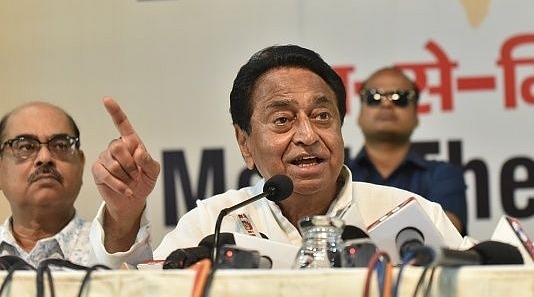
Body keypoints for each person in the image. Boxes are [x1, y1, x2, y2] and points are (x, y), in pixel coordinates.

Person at [90, 45, 464, 268]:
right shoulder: (214, 224)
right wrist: (124, 216)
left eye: (322, 117)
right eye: (283, 120)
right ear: (245, 143)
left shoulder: (410, 215)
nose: (307, 136)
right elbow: (134, 287)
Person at [347, 66, 468, 234]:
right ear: (360, 115)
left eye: (400, 98)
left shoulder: (443, 175)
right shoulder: (337, 176)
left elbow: (447, 235)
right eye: (374, 97)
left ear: (416, 116)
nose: (387, 104)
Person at [0, 102, 93, 267]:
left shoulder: (115, 253)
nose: (45, 157)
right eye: (26, 146)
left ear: (81, 164)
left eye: (61, 145)